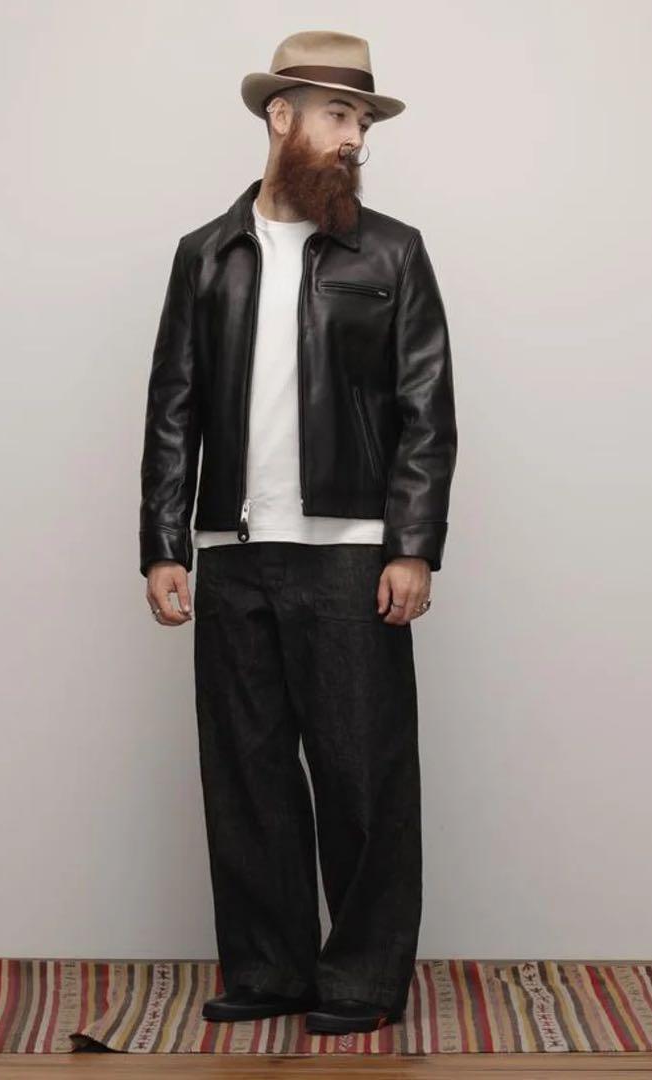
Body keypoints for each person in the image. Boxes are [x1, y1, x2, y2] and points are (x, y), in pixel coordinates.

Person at [138, 30, 458, 1035]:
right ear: (281, 118)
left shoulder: (392, 252)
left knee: (365, 773)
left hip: (352, 551)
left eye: (362, 119)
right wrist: (164, 544)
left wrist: (412, 545)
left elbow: (427, 411)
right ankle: (271, 969)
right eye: (338, 115)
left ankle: (362, 978)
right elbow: (173, 408)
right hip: (233, 554)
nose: (355, 136)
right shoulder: (206, 254)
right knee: (248, 774)